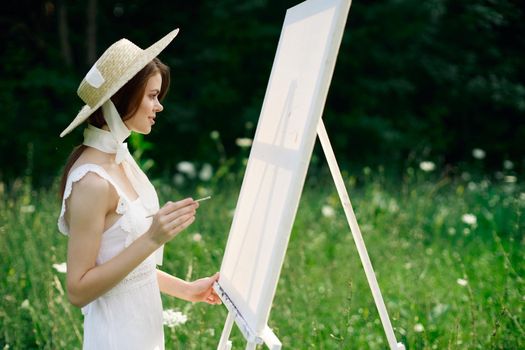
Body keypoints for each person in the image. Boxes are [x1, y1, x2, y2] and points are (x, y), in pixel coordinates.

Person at [57, 29, 221, 349]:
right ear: (123, 96)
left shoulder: (119, 160)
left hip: (143, 331)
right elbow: (78, 290)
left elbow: (127, 271)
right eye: (151, 95)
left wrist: (187, 290)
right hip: (117, 337)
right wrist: (152, 238)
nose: (158, 106)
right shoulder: (91, 181)